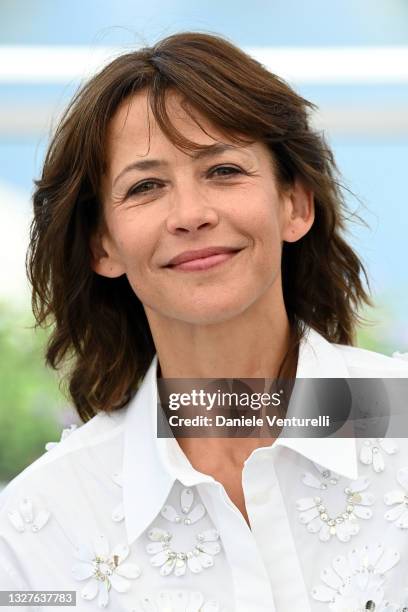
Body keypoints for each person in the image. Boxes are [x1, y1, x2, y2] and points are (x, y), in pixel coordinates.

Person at [1, 31, 407, 612]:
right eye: (145, 187)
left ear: (295, 203)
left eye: (223, 171)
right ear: (102, 246)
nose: (191, 215)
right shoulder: (39, 525)